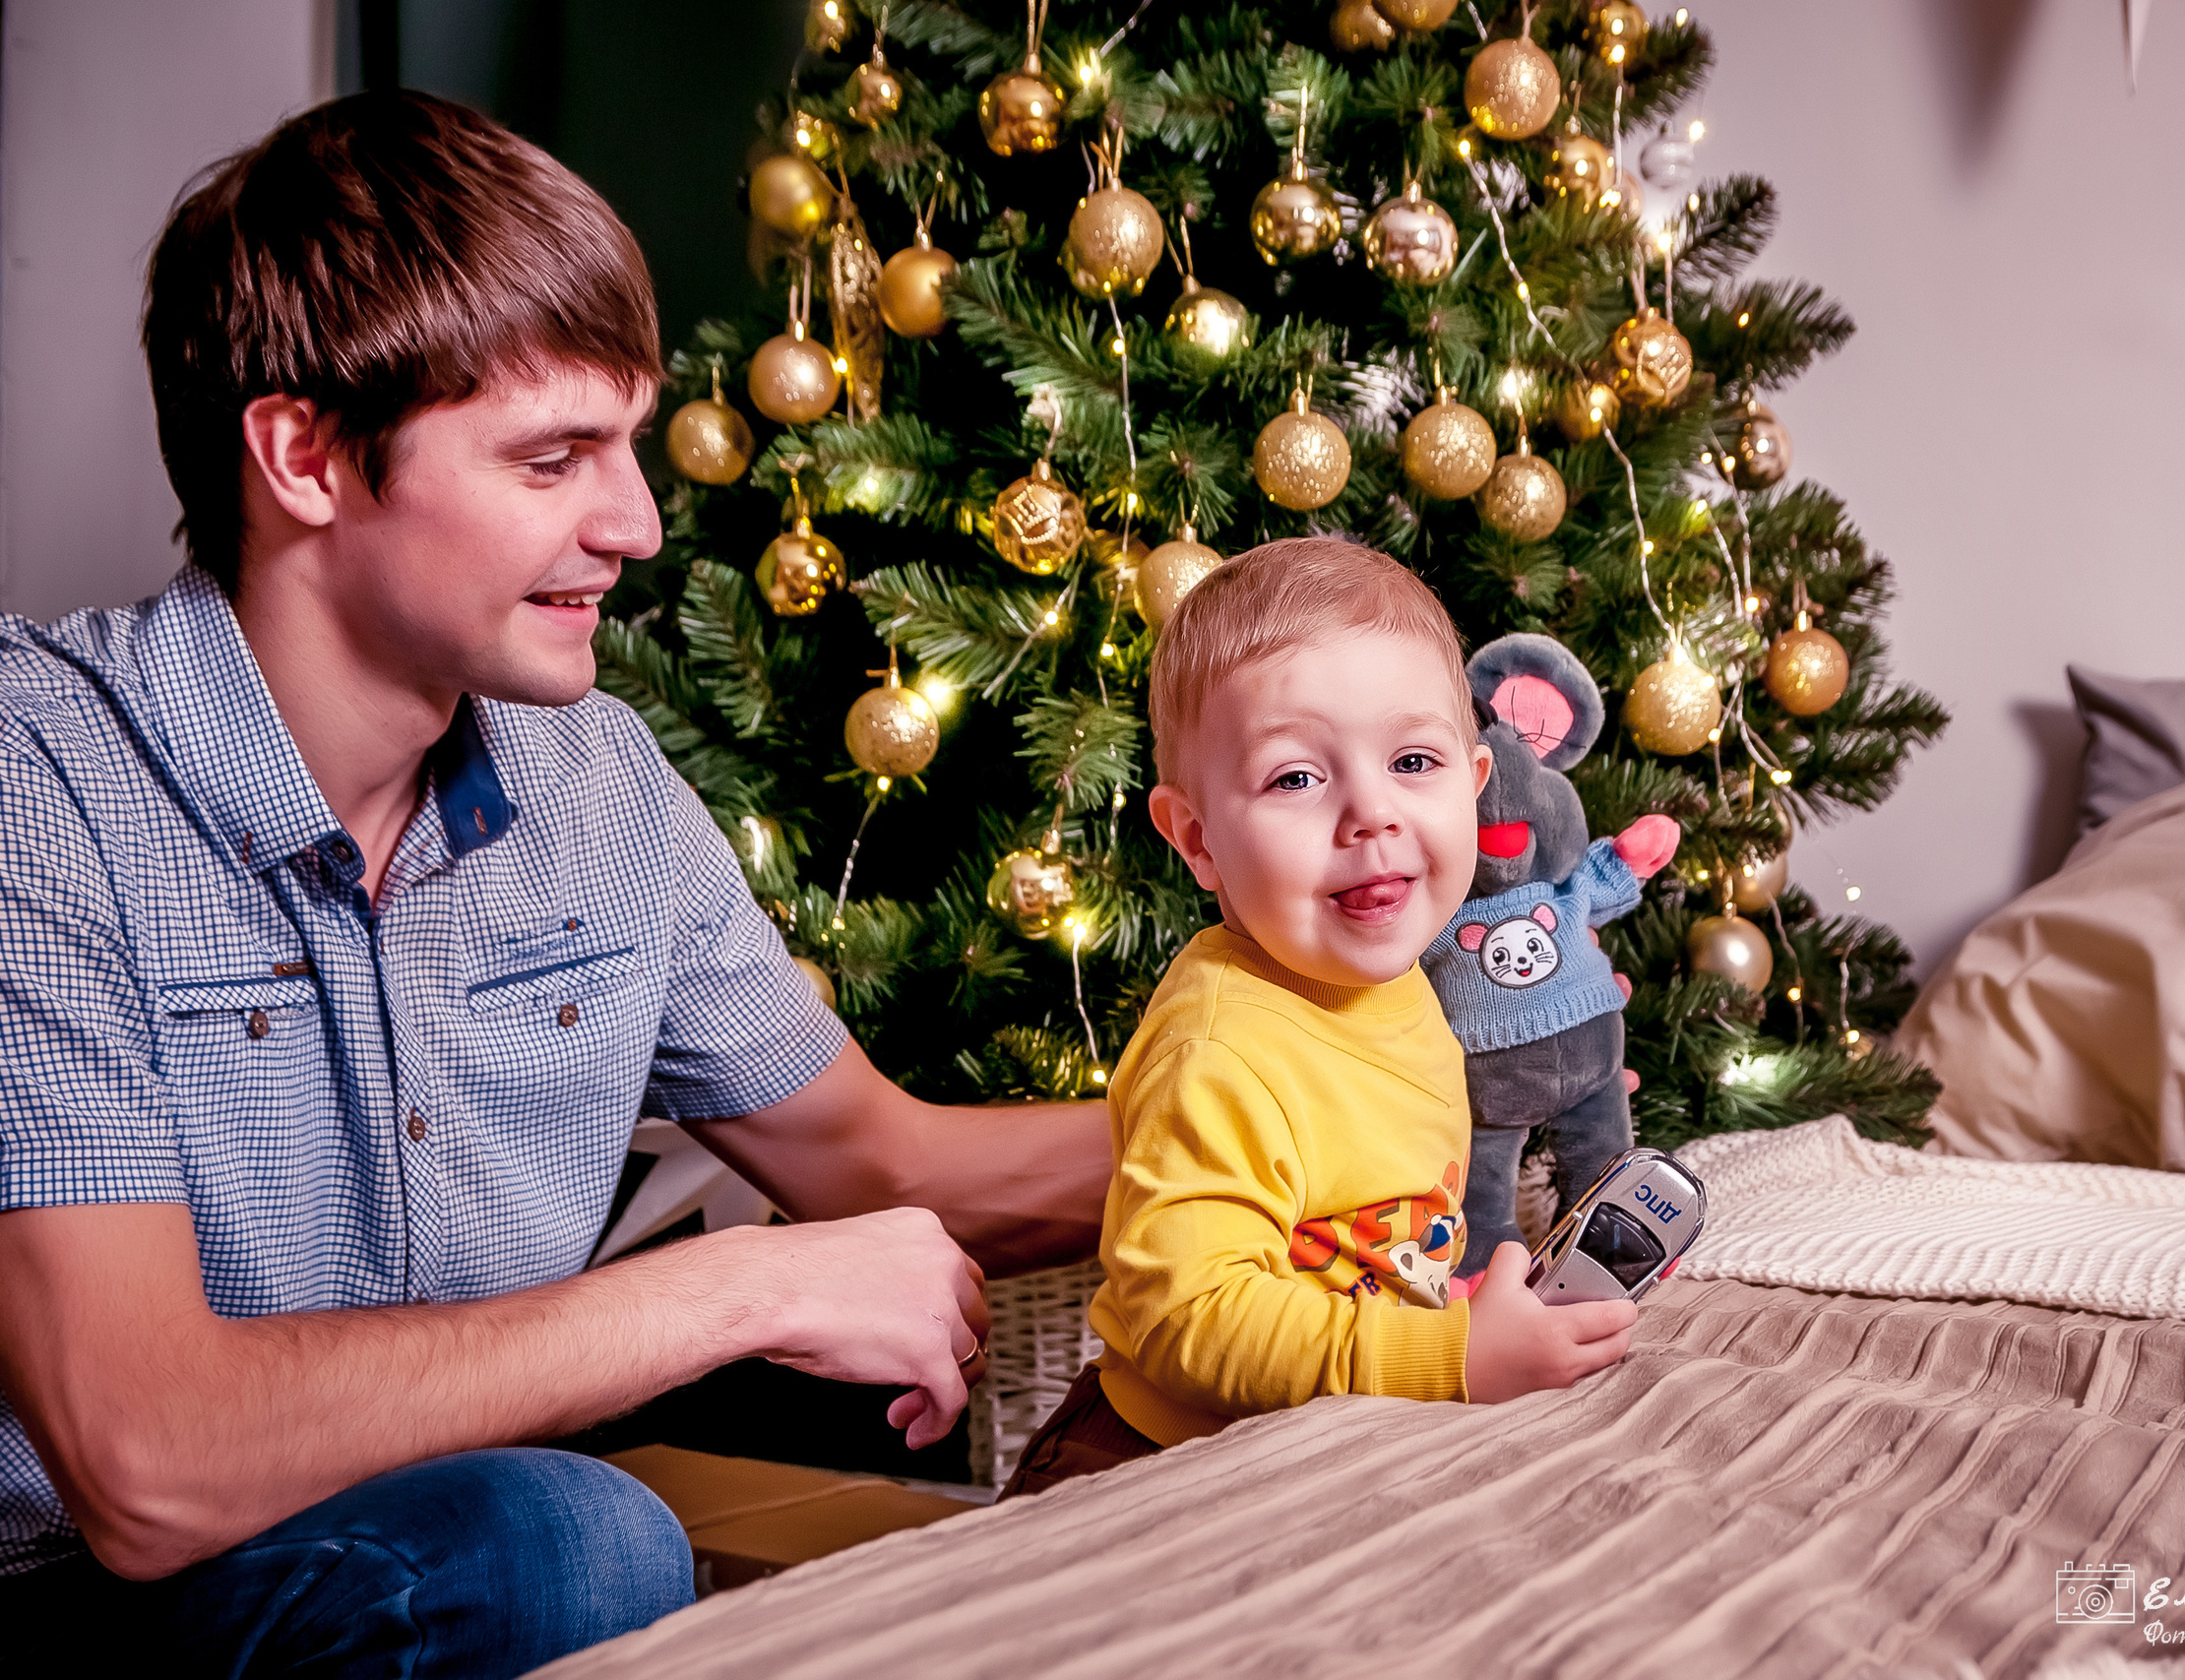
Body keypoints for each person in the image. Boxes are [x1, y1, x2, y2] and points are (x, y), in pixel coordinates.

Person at [0, 92, 1106, 1675]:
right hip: (66, 1587)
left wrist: (1321, 1104)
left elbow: (878, 1158)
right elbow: (143, 1452)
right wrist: (731, 1291)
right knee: (570, 1537)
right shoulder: (34, 774)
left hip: (386, 1556)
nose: (636, 522)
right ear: (304, 453)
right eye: (552, 455)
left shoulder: (593, 783)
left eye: (630, 441)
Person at [1001, 538, 1636, 1496]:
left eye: (1412, 760)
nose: (1369, 813)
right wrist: (1450, 1358)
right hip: (1155, 1467)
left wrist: (1454, 1306)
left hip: (1318, 1445)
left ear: (1472, 789)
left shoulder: (1406, 980)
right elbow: (1190, 1319)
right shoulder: (1220, 1050)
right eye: (1296, 778)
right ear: (1197, 839)